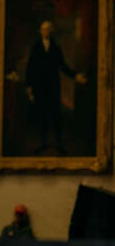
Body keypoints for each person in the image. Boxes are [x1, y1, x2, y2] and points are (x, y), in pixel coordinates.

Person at [26, 21, 87, 155]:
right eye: (43, 29)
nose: (45, 32)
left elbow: (63, 66)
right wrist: (29, 86)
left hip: (53, 86)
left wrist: (75, 76)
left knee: (56, 115)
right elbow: (30, 68)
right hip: (39, 87)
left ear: (51, 31)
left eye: (48, 29)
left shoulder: (56, 47)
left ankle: (59, 144)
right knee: (42, 115)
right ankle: (43, 143)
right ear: (40, 31)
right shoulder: (35, 48)